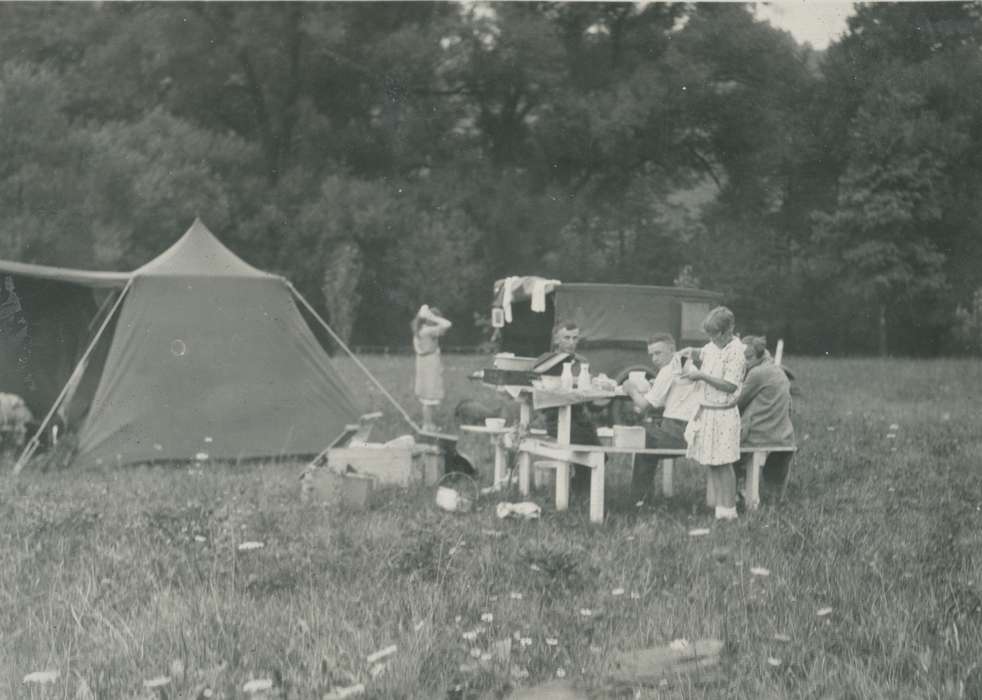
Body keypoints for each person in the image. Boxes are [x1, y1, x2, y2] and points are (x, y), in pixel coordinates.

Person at [682, 306, 746, 521]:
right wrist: (689, 351)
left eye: (715, 334)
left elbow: (729, 385)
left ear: (729, 330)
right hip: (709, 411)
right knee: (712, 461)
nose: (711, 339)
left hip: (724, 414)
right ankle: (719, 507)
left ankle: (729, 510)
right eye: (708, 335)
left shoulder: (737, 352)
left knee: (724, 462)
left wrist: (701, 376)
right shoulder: (713, 345)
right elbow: (704, 351)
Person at [622, 332, 702, 500]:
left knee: (642, 440)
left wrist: (631, 389)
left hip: (680, 432)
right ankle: (643, 497)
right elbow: (679, 393)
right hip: (694, 429)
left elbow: (643, 406)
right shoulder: (686, 364)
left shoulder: (669, 369)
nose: (654, 359)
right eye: (651, 354)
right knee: (647, 437)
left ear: (672, 349)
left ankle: (638, 499)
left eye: (658, 353)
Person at [534, 320, 599, 495]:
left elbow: (589, 399)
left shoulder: (582, 362)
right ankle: (576, 491)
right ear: (556, 339)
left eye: (575, 338)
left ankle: (580, 489)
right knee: (591, 448)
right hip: (555, 419)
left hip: (579, 418)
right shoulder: (546, 361)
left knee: (599, 452)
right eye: (567, 338)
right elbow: (538, 390)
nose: (571, 342)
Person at [734, 335, 796, 496]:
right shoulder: (776, 369)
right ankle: (767, 495)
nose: (744, 363)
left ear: (760, 355)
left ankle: (736, 492)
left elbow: (737, 403)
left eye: (748, 358)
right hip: (784, 436)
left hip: (759, 435)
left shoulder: (757, 373)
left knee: (722, 448)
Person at [412, 304, 452, 432]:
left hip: (425, 362)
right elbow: (447, 324)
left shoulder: (421, 329)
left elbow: (444, 328)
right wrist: (433, 317)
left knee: (429, 394)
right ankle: (427, 425)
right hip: (429, 363)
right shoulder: (427, 330)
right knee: (429, 396)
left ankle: (429, 424)